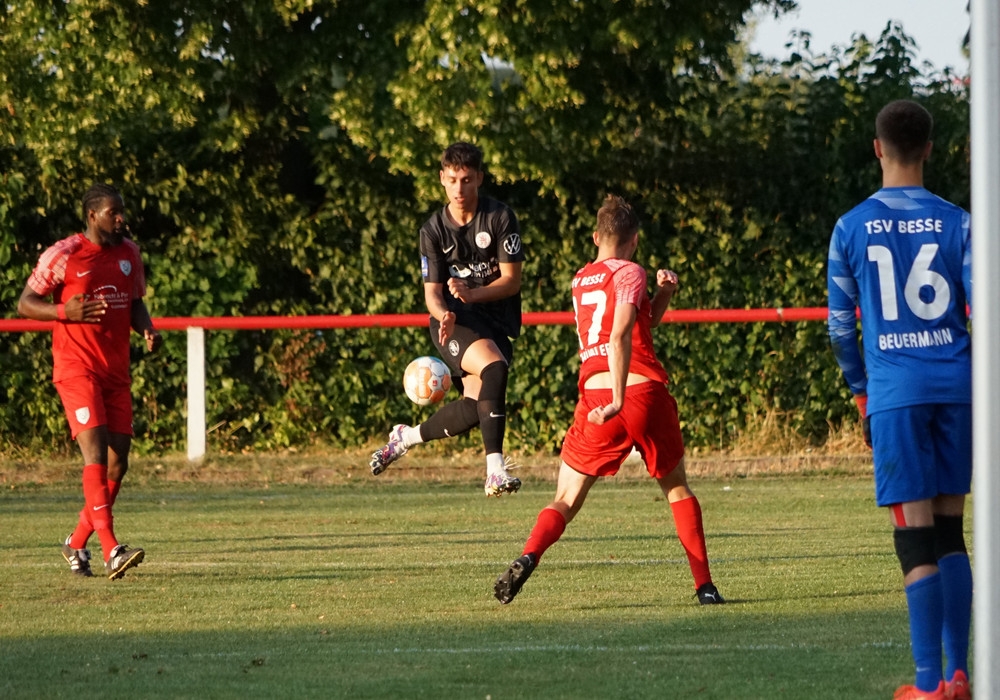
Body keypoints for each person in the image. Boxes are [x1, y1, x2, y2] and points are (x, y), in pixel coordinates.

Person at [493, 194, 724, 606]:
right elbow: (619, 337)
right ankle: (705, 587)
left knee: (566, 498)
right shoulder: (631, 272)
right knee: (677, 489)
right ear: (635, 240)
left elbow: (640, 323)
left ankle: (529, 555)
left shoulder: (581, 279)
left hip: (595, 394)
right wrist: (620, 399)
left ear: (596, 237)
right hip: (638, 392)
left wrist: (664, 294)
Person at [827, 100, 972, 700]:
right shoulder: (960, 222)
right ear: (930, 149)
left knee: (914, 538)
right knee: (950, 531)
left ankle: (927, 684)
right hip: (957, 388)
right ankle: (959, 674)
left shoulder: (850, 227)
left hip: (895, 394)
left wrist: (861, 391)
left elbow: (841, 327)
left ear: (877, 148)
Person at [18, 183, 161, 581]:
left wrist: (146, 328)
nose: (121, 218)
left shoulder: (129, 253)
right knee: (94, 453)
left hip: (115, 371)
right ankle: (112, 549)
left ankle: (76, 541)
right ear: (92, 215)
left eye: (122, 211)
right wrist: (65, 311)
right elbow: (25, 303)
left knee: (118, 461)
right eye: (114, 212)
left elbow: (134, 301)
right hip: (77, 368)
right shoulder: (64, 254)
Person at [369, 142, 526, 497]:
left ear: (479, 179)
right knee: (495, 369)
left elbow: (511, 282)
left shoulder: (500, 218)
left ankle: (405, 437)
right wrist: (444, 315)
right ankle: (495, 471)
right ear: (441, 178)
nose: (459, 188)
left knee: (474, 407)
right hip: (457, 323)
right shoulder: (433, 231)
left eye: (466, 180)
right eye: (452, 179)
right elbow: (432, 294)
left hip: (494, 320)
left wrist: (473, 293)